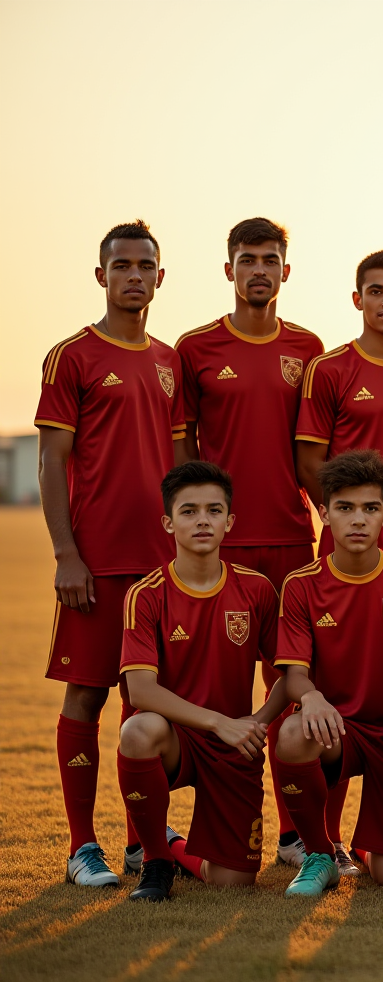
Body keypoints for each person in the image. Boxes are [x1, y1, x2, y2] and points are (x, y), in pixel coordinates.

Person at [36, 219, 187, 886]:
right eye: (121, 265)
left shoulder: (167, 360)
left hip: (160, 569)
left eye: (144, 265)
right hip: (95, 564)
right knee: (84, 696)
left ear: (160, 276)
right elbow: (49, 460)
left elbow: (181, 465)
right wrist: (67, 554)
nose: (133, 275)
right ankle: (80, 847)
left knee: (144, 706)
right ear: (101, 276)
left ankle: (139, 841)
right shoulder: (73, 356)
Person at [175, 217, 325, 868]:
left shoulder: (309, 346)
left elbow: (317, 447)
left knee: (290, 680)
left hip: (292, 539)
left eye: (270, 258)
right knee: (217, 691)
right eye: (247, 258)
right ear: (228, 269)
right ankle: (218, 831)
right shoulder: (196, 348)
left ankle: (295, 833)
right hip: (220, 548)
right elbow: (182, 451)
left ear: (286, 271)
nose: (258, 268)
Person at [117, 461, 287, 901]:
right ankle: (155, 862)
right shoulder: (146, 594)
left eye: (213, 510)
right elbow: (140, 690)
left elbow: (288, 672)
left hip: (235, 744)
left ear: (229, 521)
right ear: (168, 522)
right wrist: (217, 722)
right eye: (189, 511)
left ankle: (174, 848)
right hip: (178, 737)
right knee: (137, 730)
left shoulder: (257, 590)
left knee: (234, 881)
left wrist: (259, 720)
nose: (202, 520)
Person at [273, 449, 383, 896]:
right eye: (344, 508)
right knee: (290, 734)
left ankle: (374, 848)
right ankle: (321, 852)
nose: (357, 520)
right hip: (336, 730)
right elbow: (293, 673)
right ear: (324, 514)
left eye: (369, 508)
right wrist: (312, 697)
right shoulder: (302, 584)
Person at [295, 250, 383, 568]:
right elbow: (307, 463)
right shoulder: (329, 369)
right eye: (376, 291)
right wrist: (343, 516)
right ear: (358, 299)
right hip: (350, 529)